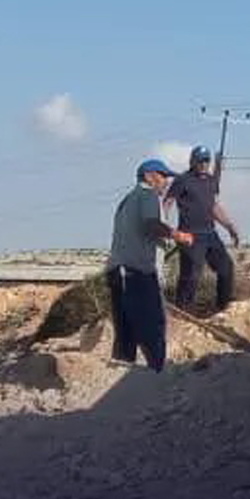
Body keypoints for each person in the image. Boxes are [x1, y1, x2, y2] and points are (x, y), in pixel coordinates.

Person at [107, 157, 191, 371]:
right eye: (163, 176)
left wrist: (165, 243)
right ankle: (157, 373)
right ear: (149, 177)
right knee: (153, 324)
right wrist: (177, 235)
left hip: (119, 271)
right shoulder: (148, 195)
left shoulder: (127, 200)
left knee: (126, 328)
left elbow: (140, 233)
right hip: (137, 272)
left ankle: (125, 371)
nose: (166, 182)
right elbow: (151, 224)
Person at [166, 144, 241, 314]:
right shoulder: (183, 180)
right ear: (192, 161)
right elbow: (168, 203)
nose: (203, 164)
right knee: (192, 273)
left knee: (226, 268)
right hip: (190, 234)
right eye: (200, 161)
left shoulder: (211, 181)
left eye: (206, 161)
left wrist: (229, 226)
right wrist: (164, 228)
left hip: (210, 234)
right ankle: (183, 310)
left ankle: (223, 306)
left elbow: (213, 206)